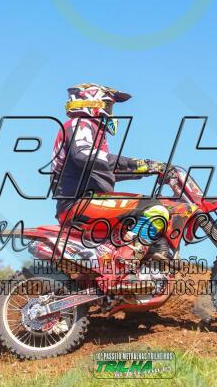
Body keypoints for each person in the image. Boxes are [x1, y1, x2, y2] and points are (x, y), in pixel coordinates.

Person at [50, 83, 170, 267]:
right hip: (79, 203)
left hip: (84, 203)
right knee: (155, 209)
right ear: (91, 103)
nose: (110, 112)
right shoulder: (80, 124)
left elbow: (106, 168)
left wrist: (149, 169)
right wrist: (137, 163)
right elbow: (84, 155)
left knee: (155, 210)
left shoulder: (91, 131)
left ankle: (141, 266)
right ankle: (126, 260)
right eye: (108, 105)